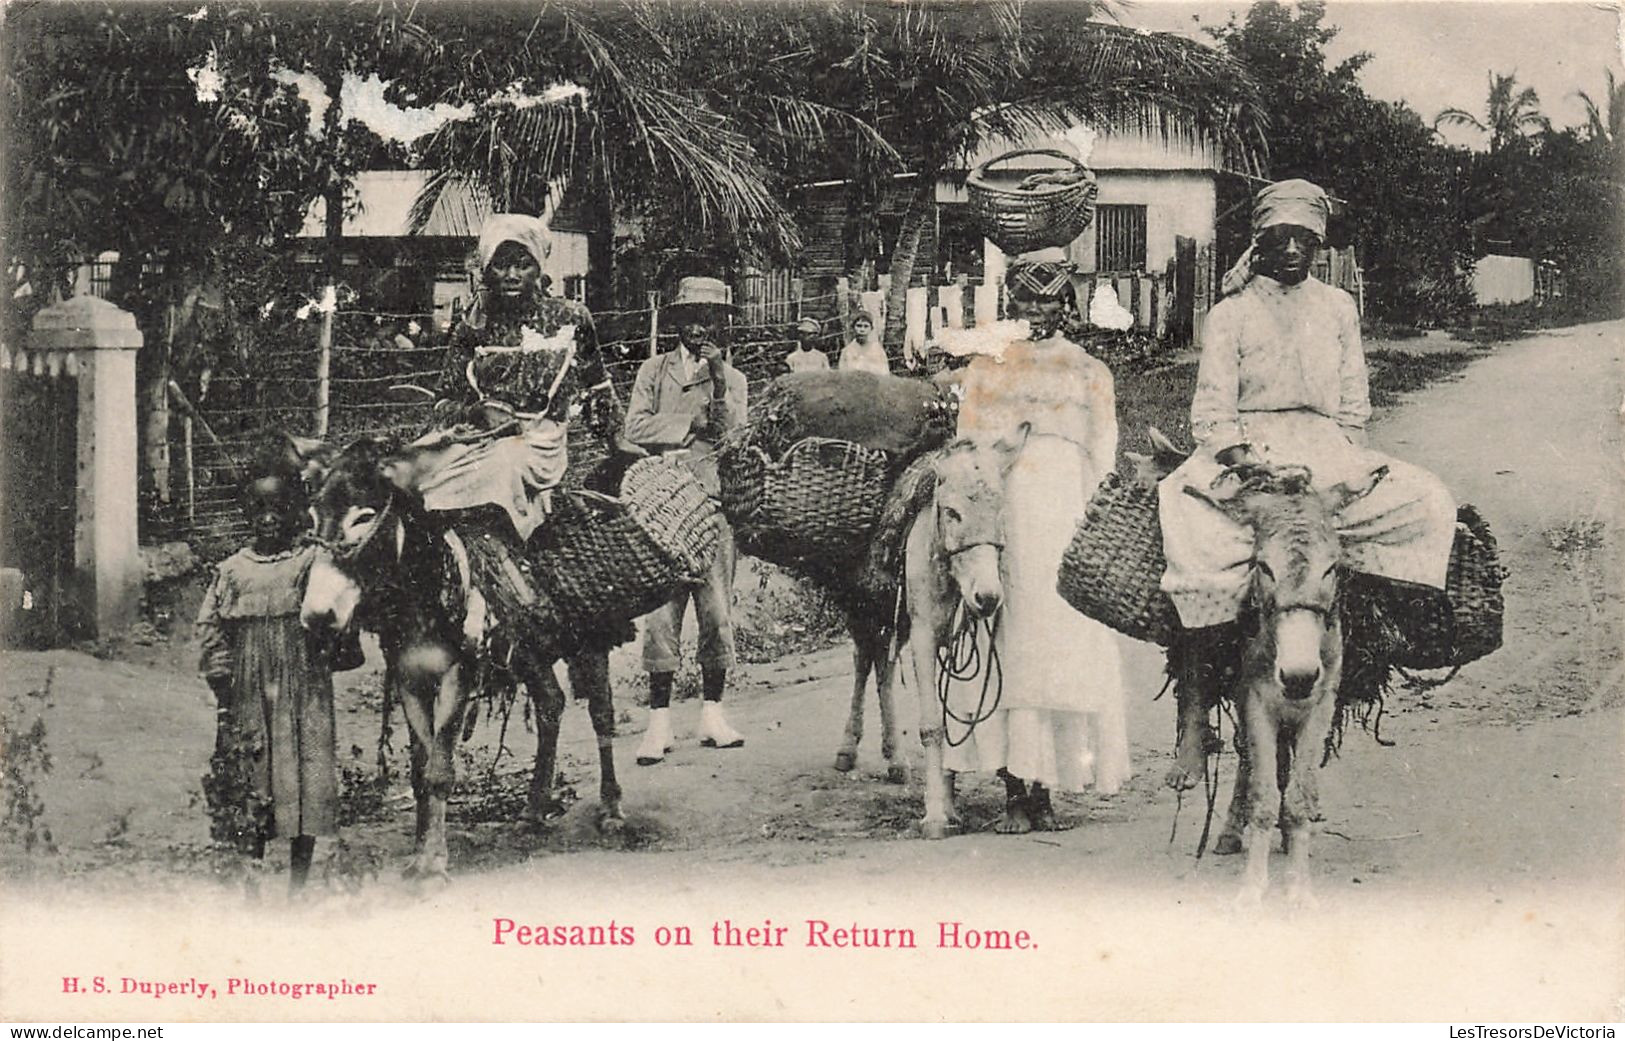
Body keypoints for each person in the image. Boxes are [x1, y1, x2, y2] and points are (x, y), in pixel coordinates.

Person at [1157, 178, 1457, 789]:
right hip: (1248, 450)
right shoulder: (1231, 313)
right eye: (1279, 238)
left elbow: (1353, 406)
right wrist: (1252, 464)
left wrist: (1334, 467)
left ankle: (1384, 628)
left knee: (1428, 501)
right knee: (1182, 512)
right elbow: (1213, 411)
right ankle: (1194, 710)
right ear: (1259, 243)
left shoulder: (1338, 307)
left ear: (1319, 246)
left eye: (1305, 240)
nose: (1292, 250)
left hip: (1325, 449)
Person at [940, 247, 1130, 833]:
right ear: (1011, 303)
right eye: (1026, 297)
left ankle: (1047, 788)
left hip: (1065, 520)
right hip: (1007, 523)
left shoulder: (1088, 371)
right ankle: (1014, 789)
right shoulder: (986, 369)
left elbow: (1103, 457)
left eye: (1050, 297)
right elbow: (969, 458)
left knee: (1059, 643)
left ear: (1068, 303)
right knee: (1009, 639)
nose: (1038, 308)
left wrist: (1095, 528)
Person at [418, 213, 631, 543]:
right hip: (476, 438)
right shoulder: (473, 327)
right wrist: (473, 414)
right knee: (410, 476)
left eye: (523, 265)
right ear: (488, 269)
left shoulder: (570, 318)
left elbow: (596, 385)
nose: (512, 275)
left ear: (539, 267)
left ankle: (505, 556)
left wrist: (617, 441)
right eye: (501, 266)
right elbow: (444, 400)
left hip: (536, 444)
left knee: (503, 466)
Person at [196, 450, 345, 895]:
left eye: (277, 510)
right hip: (248, 686)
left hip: (303, 682)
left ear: (294, 513)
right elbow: (210, 626)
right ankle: (251, 881)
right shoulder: (233, 570)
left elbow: (336, 608)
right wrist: (221, 672)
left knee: (305, 771)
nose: (268, 520)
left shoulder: (310, 562)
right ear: (247, 514)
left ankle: (298, 887)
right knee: (253, 775)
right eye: (258, 510)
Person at [625, 276, 749, 763]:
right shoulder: (654, 371)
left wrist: (717, 384)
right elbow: (633, 426)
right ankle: (658, 723)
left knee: (716, 615)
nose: (700, 327)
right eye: (691, 317)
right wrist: (684, 426)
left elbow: (733, 436)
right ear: (677, 321)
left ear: (722, 324)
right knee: (660, 616)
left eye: (711, 318)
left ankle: (713, 713)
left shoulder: (732, 379)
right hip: (662, 508)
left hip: (712, 506)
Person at [838, 311, 889, 375]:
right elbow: (843, 376)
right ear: (853, 328)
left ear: (871, 329)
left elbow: (885, 374)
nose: (862, 330)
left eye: (866, 326)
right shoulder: (847, 352)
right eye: (859, 326)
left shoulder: (878, 351)